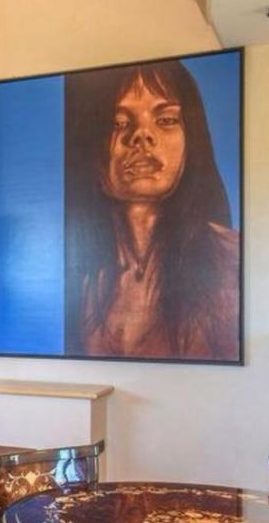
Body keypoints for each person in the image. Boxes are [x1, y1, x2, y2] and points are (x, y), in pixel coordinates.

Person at [63, 59, 239, 361]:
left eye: (166, 120)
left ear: (191, 138)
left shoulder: (235, 260)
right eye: (118, 123)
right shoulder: (71, 276)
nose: (142, 136)